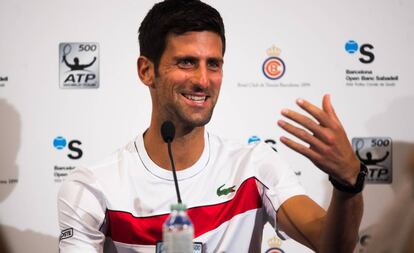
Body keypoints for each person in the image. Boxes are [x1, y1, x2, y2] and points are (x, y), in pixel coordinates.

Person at [57, 0, 364, 252]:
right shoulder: (93, 187)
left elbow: (331, 245)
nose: (203, 81)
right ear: (146, 71)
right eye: (187, 62)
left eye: (213, 64)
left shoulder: (254, 166)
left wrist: (348, 184)